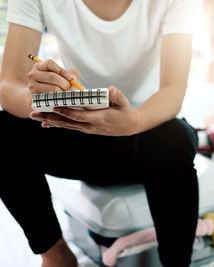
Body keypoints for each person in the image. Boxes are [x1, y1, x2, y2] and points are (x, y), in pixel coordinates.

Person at [0, 0, 198, 266]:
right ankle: (56, 254)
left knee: (170, 138)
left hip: (148, 135)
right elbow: (9, 84)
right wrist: (40, 99)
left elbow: (173, 92)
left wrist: (132, 122)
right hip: (78, 134)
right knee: (3, 131)